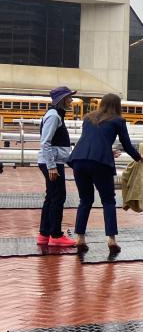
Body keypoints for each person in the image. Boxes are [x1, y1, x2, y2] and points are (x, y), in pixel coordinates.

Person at [68, 93, 143, 255]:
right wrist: (140, 158)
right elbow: (127, 144)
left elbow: (91, 140)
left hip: (79, 160)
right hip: (100, 164)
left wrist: (107, 151)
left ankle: (80, 238)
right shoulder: (118, 120)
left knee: (85, 200)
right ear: (117, 105)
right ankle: (111, 240)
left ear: (101, 104)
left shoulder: (88, 118)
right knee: (108, 201)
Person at [37, 86, 78, 248]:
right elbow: (45, 142)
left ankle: (44, 234)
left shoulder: (55, 115)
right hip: (52, 164)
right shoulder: (54, 116)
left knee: (51, 197)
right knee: (58, 198)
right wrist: (52, 166)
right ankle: (55, 235)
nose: (71, 100)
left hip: (52, 162)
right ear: (61, 99)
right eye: (69, 98)